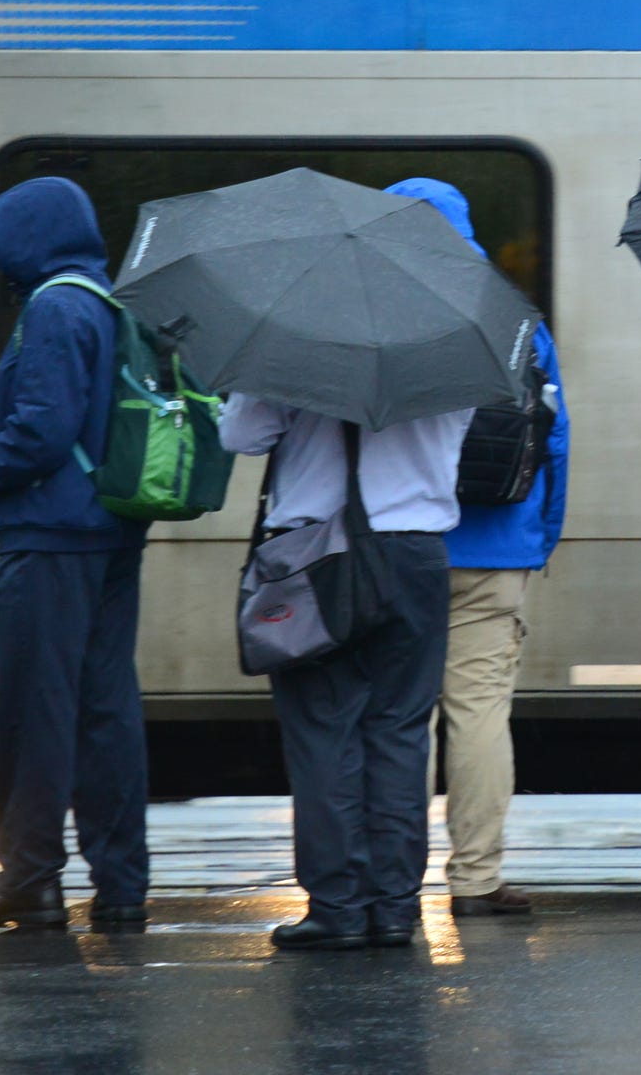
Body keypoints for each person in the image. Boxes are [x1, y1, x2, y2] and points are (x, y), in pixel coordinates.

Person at [0, 178, 146, 930]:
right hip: (112, 533)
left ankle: (31, 879)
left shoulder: (54, 307)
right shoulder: (106, 301)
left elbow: (42, 433)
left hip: (51, 538)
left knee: (36, 713)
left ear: (34, 236)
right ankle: (122, 888)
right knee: (107, 712)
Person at [221, 390, 474, 950]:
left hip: (317, 556)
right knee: (402, 733)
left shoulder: (292, 348)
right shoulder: (449, 352)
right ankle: (394, 908)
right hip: (417, 556)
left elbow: (240, 437)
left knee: (323, 733)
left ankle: (338, 906)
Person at [387, 179, 568, 920]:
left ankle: (392, 883)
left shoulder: (380, 311)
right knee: (480, 714)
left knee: (398, 718)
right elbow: (554, 438)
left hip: (400, 544)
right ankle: (477, 879)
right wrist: (538, 537)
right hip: (498, 549)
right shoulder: (517, 319)